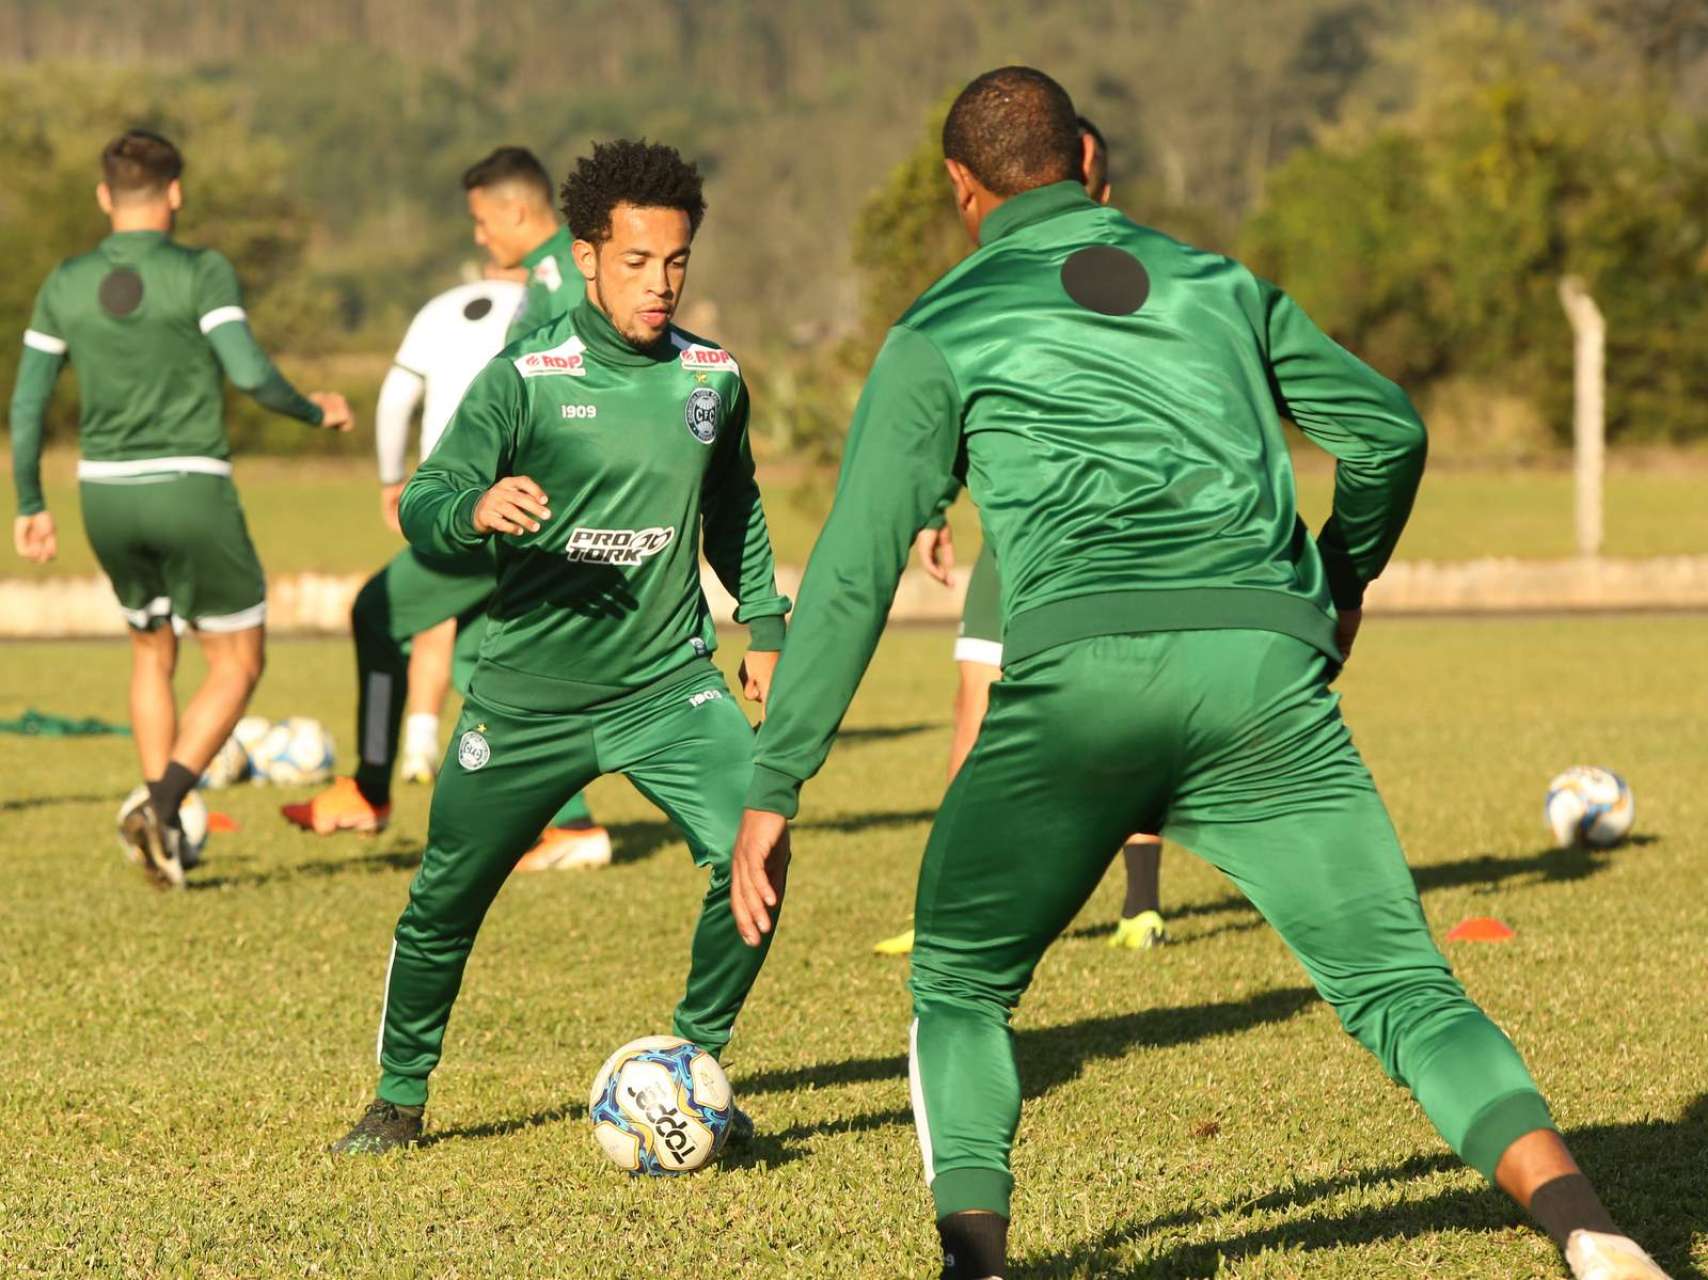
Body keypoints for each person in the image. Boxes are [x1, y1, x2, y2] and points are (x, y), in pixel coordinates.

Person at [730, 67, 1670, 1280]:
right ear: (1086, 162)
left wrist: (778, 779)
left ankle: (978, 1261)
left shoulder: (942, 326)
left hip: (1077, 682)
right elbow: (1388, 430)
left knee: (959, 984)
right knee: (1402, 987)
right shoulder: (1221, 285)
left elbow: (854, 572)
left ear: (960, 189)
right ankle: (1591, 1228)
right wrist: (1339, 578)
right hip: (1258, 674)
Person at [331, 139, 789, 1154]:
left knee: (756, 855)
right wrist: (477, 506)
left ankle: (695, 1064)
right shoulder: (526, 379)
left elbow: (734, 504)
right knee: (445, 897)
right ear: (586, 257)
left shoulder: (712, 379)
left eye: (675, 261)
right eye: (635, 262)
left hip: (669, 686)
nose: (659, 283)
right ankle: (398, 1095)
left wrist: (762, 623)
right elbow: (424, 503)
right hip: (526, 698)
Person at [8, 128, 351, 889]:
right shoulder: (201, 271)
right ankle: (163, 804)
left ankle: (162, 830)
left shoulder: (65, 281)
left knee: (151, 651)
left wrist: (30, 500)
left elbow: (28, 402)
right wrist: (313, 411)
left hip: (102, 493)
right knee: (238, 658)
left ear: (104, 196)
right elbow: (250, 374)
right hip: (188, 485)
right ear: (176, 193)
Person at [879, 114, 1166, 958]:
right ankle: (952, 911)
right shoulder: (992, 289)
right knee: (972, 713)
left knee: (1130, 724)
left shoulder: (1138, 284)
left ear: (1098, 192)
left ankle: (1140, 904)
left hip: (1114, 539)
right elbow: (977, 407)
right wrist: (934, 507)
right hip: (1014, 542)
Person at [282, 148, 610, 871]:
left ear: (517, 211)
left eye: (481, 220)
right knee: (477, 654)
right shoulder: (563, 272)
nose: (478, 236)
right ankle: (573, 825)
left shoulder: (557, 283)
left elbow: (545, 403)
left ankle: (370, 790)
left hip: (507, 512)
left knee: (376, 611)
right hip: (529, 509)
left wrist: (470, 495)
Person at [377, 264, 526, 785]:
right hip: (526, 496)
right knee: (472, 648)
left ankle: (380, 772)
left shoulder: (442, 308)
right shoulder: (553, 311)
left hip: (455, 498)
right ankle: (566, 822)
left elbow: (395, 401)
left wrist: (391, 479)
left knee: (387, 613)